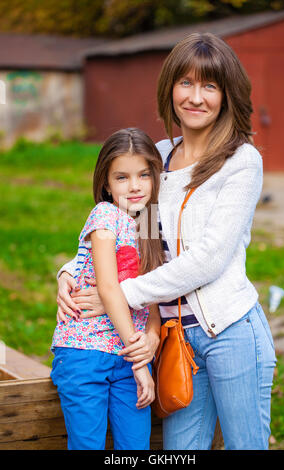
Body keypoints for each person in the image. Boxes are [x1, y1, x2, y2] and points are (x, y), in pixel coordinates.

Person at [56, 33, 277, 450]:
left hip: (230, 331)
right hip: (174, 340)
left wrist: (117, 296)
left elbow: (208, 260)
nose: (196, 97)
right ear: (170, 88)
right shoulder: (156, 158)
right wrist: (70, 271)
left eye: (210, 86)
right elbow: (123, 232)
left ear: (226, 94)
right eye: (186, 83)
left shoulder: (242, 161)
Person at [50, 127, 165, 450]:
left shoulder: (149, 224)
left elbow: (152, 301)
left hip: (129, 355)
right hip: (86, 353)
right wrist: (141, 365)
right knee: (87, 445)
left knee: (136, 446)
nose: (135, 186)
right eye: (122, 178)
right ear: (106, 183)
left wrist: (150, 343)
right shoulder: (105, 215)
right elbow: (109, 287)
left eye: (144, 175)